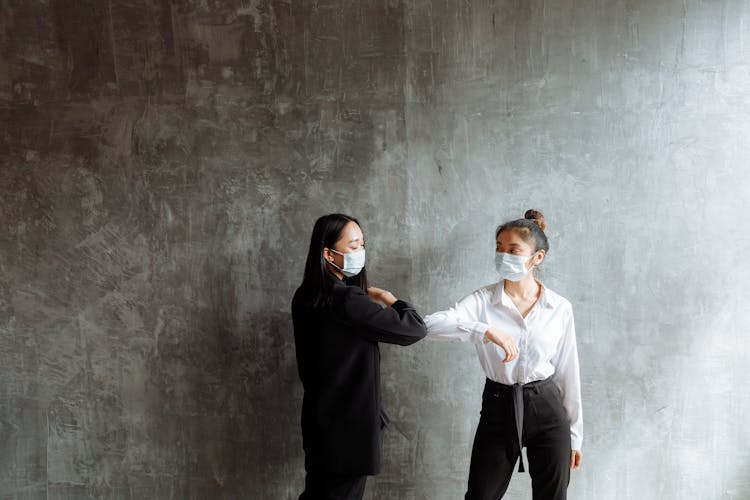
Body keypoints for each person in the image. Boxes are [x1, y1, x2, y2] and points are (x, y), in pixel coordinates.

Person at [425, 209, 582, 500]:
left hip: (547, 409)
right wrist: (484, 330)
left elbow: (568, 372)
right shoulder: (482, 301)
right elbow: (429, 326)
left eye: (513, 249)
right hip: (499, 405)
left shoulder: (559, 308)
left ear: (538, 258)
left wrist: (574, 436)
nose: (503, 255)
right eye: (499, 248)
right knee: (481, 495)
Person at [292, 213, 427, 500]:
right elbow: (414, 329)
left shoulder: (306, 295)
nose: (361, 252)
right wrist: (392, 300)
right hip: (349, 431)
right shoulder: (345, 300)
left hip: (321, 424)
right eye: (353, 246)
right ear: (328, 254)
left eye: (363, 245)